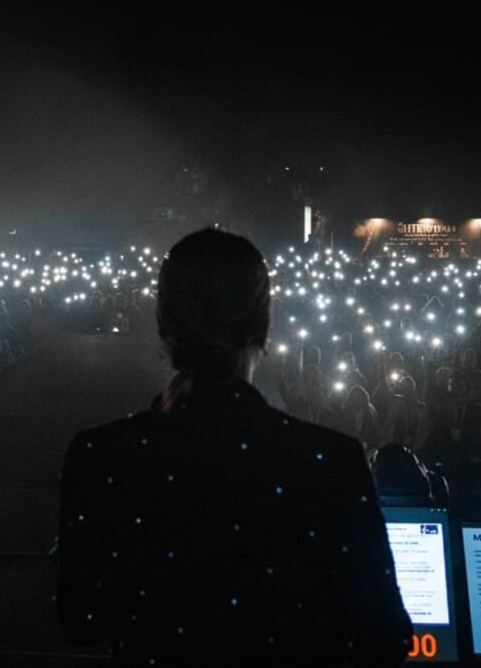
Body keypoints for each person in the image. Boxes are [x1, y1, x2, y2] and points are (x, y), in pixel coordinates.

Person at [57, 228, 412, 667]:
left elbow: (80, 620)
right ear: (264, 328)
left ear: (163, 328)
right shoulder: (330, 461)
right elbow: (385, 636)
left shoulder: (101, 456)